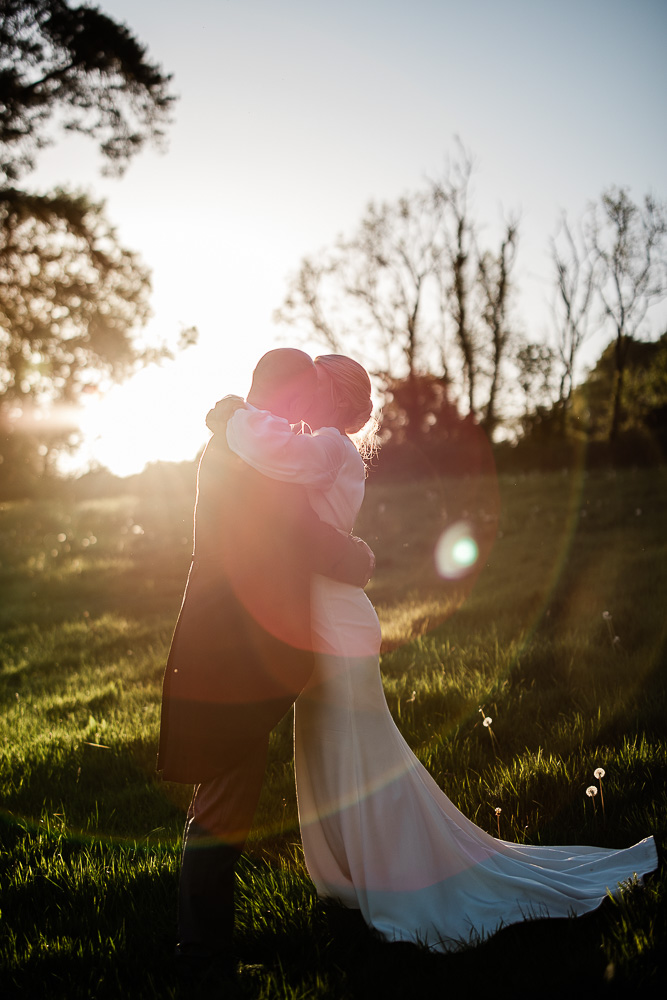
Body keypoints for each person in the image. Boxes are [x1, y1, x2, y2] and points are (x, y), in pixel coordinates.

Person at [225, 352, 659, 952]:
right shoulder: (318, 443)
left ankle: (404, 884)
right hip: (316, 624)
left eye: (312, 384)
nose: (300, 394)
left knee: (365, 764)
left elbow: (269, 451)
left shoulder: (331, 448)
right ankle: (353, 879)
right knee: (329, 758)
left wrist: (231, 414)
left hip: (338, 627)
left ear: (331, 397)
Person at [156, 348, 375, 982]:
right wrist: (354, 556)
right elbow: (291, 533)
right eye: (304, 396)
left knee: (225, 797)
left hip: (237, 649)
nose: (309, 411)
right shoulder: (245, 459)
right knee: (224, 803)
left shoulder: (244, 447)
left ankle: (204, 952)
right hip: (229, 653)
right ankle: (201, 961)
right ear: (284, 397)